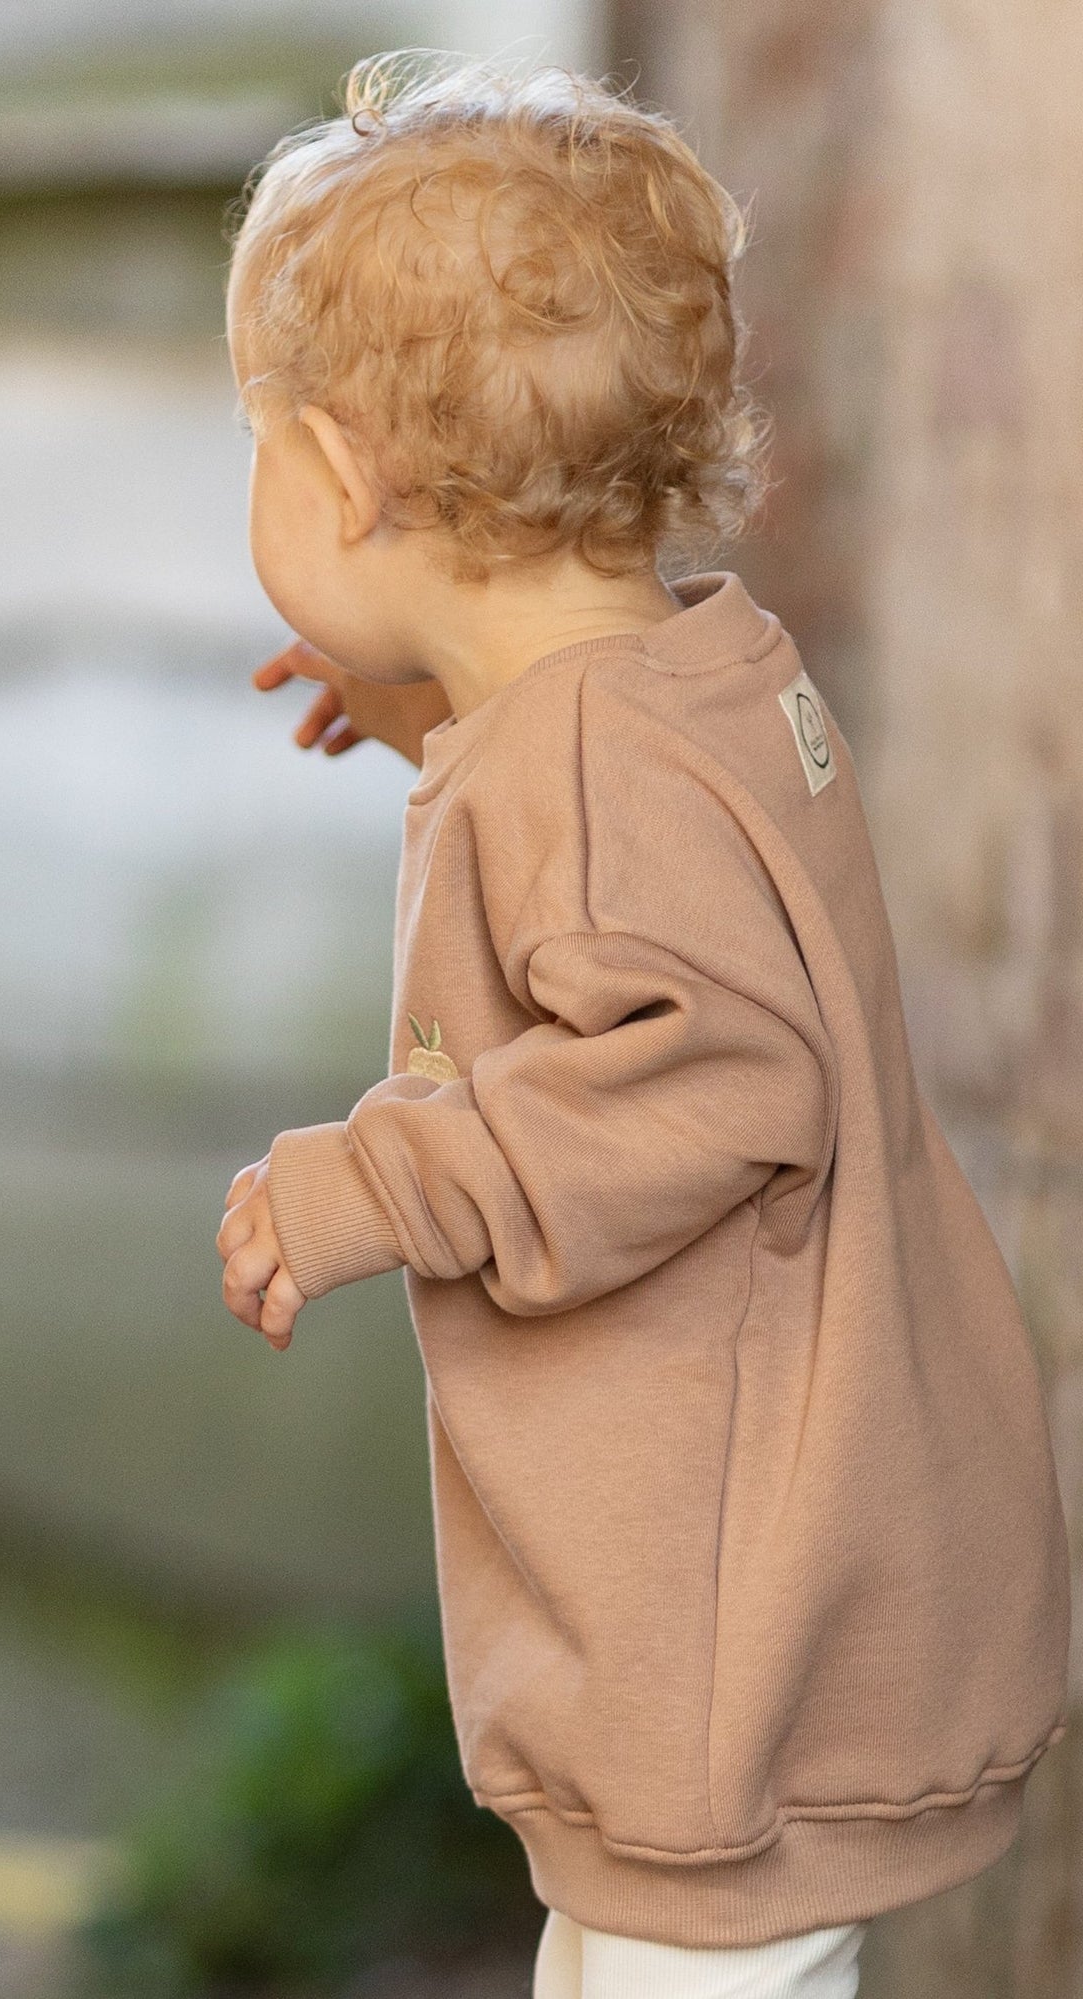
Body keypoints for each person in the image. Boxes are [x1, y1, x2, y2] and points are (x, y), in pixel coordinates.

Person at [212, 53, 1069, 1999]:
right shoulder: (683, 675)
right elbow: (636, 912)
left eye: (259, 443)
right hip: (754, 1579)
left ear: (352, 479)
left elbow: (711, 1077)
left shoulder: (591, 777)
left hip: (727, 1631)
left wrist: (382, 1176)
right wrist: (429, 709)